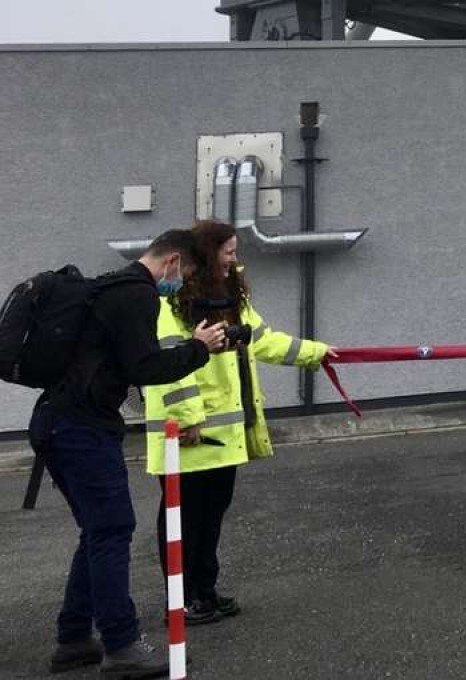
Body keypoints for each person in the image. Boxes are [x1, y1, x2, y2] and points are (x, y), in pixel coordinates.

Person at [29, 230, 226, 676]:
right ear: (174, 261)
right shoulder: (138, 296)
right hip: (81, 428)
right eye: (187, 273)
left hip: (55, 421)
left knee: (98, 530)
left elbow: (125, 361)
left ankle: (74, 638)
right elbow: (146, 369)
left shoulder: (110, 286)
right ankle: (121, 647)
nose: (183, 282)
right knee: (113, 530)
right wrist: (200, 348)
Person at [144, 220, 338, 624]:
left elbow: (262, 339)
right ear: (206, 253)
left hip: (222, 434)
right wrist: (187, 418)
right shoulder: (169, 301)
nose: (235, 259)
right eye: (228, 251)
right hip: (189, 436)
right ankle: (180, 602)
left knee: (211, 516)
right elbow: (169, 364)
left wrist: (317, 353)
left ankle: (205, 591)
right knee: (184, 522)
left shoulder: (229, 296)